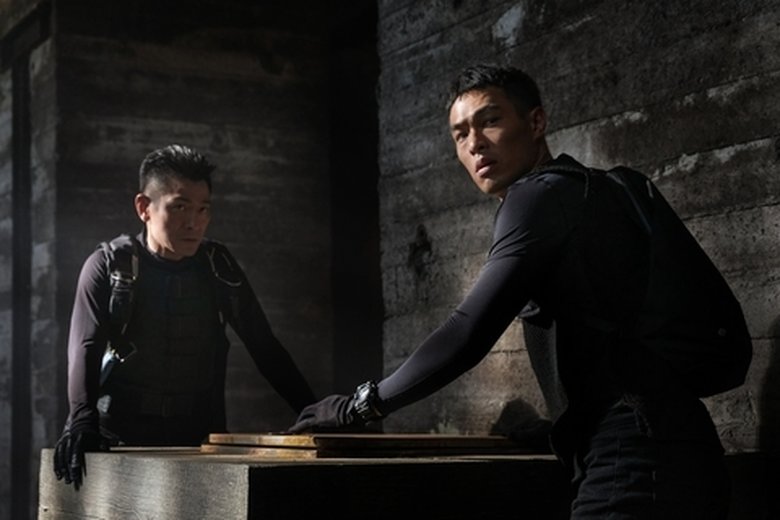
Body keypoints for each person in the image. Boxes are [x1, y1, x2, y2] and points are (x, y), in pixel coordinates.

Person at [289, 64, 738, 518]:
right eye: (460, 134)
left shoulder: (536, 197)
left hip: (634, 460)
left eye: (489, 121)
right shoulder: (590, 193)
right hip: (685, 448)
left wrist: (360, 406)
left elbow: (467, 332)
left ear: (536, 122)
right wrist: (560, 426)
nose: (474, 143)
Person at [54, 144, 316, 489]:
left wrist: (315, 413)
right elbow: (84, 347)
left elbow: (264, 347)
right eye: (179, 207)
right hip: (120, 437)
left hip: (198, 438)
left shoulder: (218, 267)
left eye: (203, 209)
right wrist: (81, 421)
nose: (194, 223)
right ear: (144, 208)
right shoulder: (109, 266)